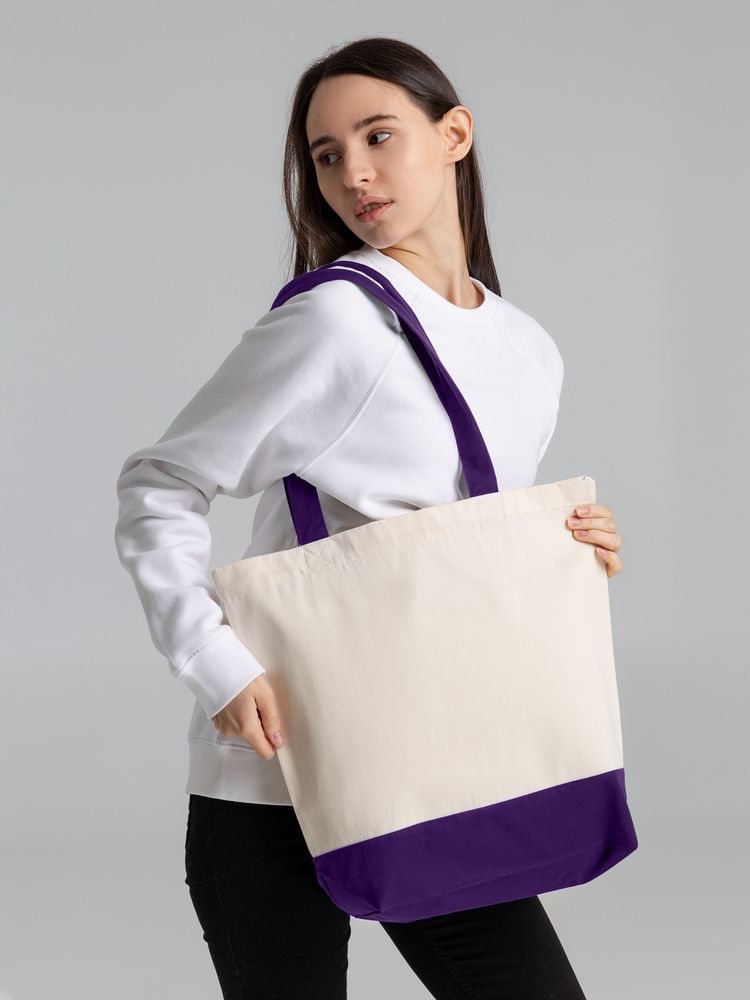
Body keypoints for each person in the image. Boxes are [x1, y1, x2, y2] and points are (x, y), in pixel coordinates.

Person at [114, 34, 623, 1000]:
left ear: (454, 134)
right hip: (274, 781)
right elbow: (160, 483)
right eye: (326, 154)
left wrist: (568, 547)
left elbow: (459, 546)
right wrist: (214, 661)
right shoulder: (337, 322)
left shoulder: (527, 349)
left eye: (379, 136)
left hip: (435, 767)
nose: (353, 173)